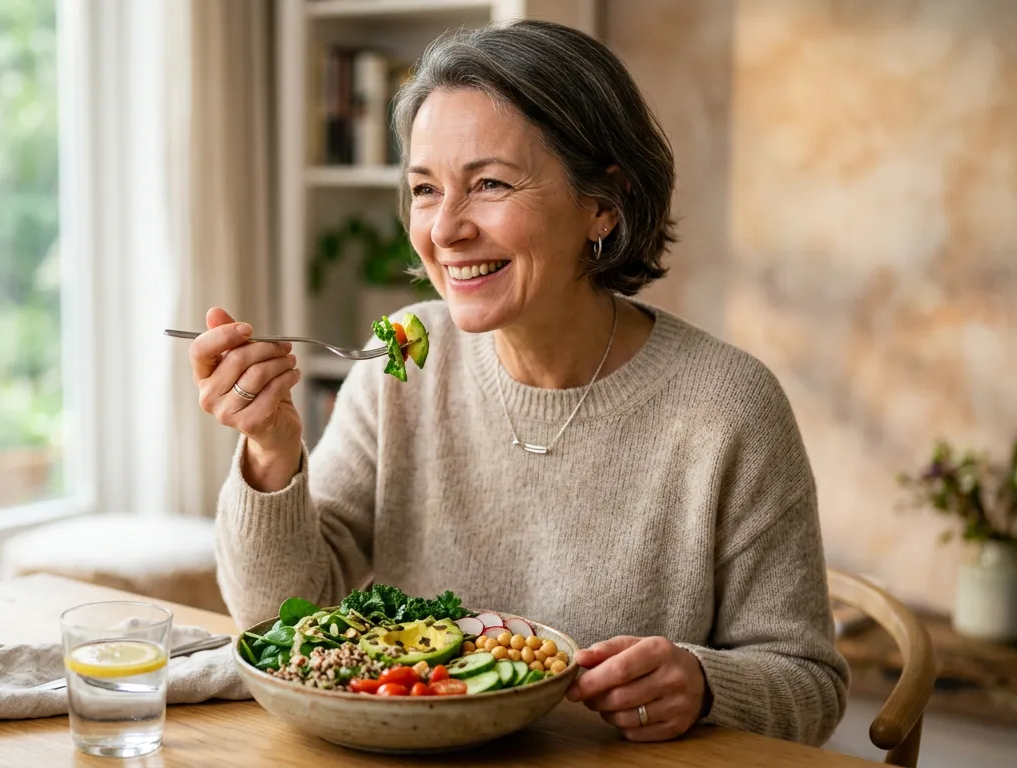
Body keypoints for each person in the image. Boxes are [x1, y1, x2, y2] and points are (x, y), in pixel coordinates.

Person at [186, 20, 847, 746]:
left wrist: (705, 682)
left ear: (603, 204)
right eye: (425, 190)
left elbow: (808, 684)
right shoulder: (406, 360)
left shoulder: (727, 407)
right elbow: (288, 617)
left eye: (490, 184)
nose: (444, 230)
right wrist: (270, 451)